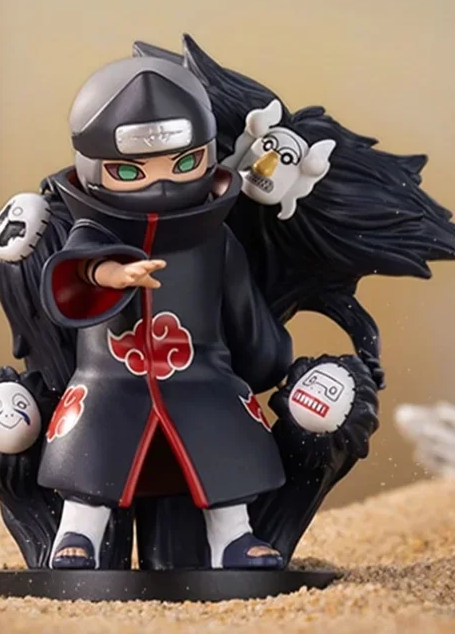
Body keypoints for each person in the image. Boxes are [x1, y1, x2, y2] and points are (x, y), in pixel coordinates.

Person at [34, 56, 293, 570]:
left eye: (182, 163)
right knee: (92, 456)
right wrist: (110, 273)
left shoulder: (215, 238)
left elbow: (242, 307)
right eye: (131, 171)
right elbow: (73, 272)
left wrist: (268, 355)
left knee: (224, 448)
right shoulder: (97, 227)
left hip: (203, 377)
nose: (161, 182)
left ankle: (233, 539)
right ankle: (77, 534)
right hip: (110, 380)